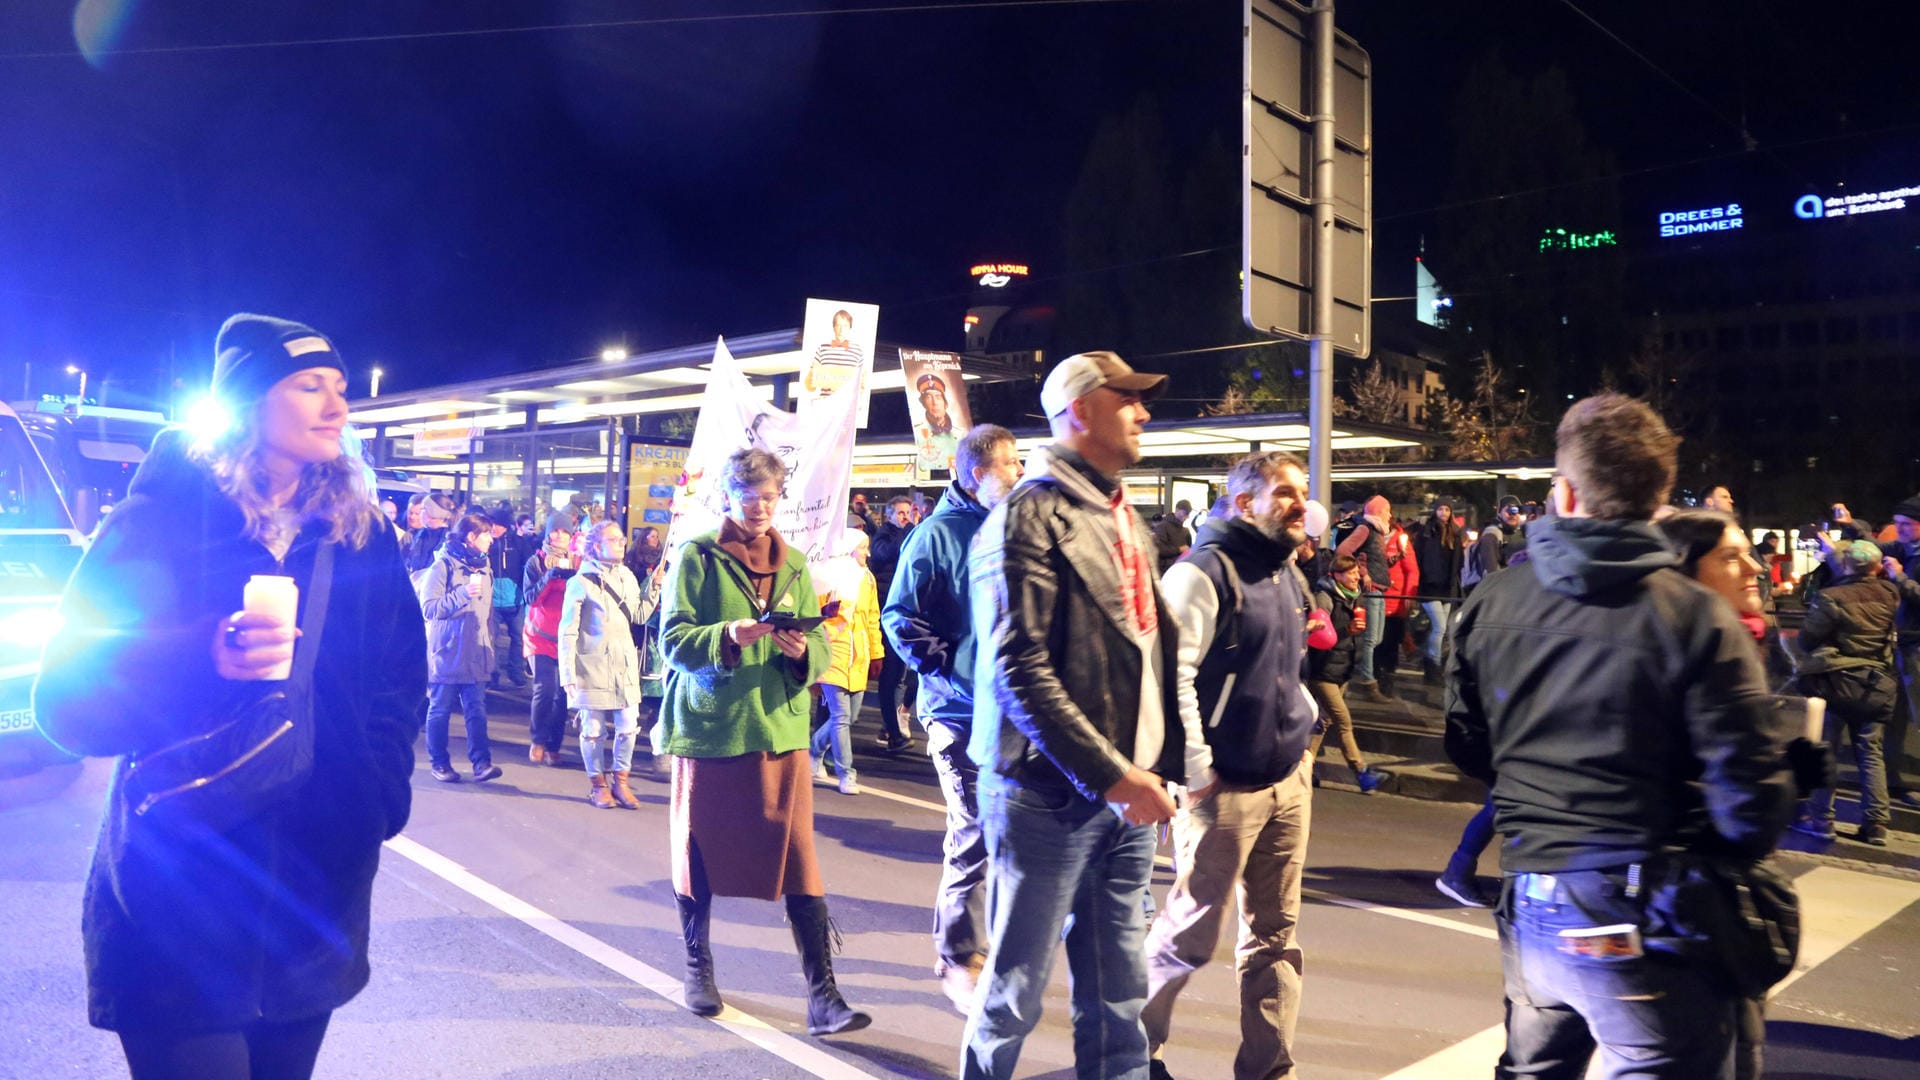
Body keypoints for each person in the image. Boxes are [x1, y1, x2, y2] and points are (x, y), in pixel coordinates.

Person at [33, 312, 427, 1080]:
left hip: (313, 904)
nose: (338, 406)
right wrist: (195, 657)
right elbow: (65, 704)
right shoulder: (161, 523)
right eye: (310, 385)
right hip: (177, 902)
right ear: (249, 401)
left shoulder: (361, 535)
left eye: (341, 388)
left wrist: (375, 801)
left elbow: (397, 685)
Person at [1445, 393, 1796, 1078]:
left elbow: (1468, 746)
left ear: (1565, 493)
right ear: (1660, 497)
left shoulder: (1493, 601)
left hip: (1530, 900)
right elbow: (1750, 800)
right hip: (1643, 912)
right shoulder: (1694, 616)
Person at [961, 351, 1184, 1079]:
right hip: (1048, 800)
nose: (1143, 412)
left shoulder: (1120, 514)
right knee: (1014, 994)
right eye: (1129, 399)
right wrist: (1114, 777)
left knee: (1120, 996)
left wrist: (1175, 765)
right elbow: (1018, 671)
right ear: (1081, 411)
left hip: (1124, 794)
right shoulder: (1028, 515)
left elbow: (1152, 651)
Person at [655, 447, 870, 1036]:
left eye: (770, 499)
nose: (760, 509)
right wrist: (731, 634)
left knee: (800, 862)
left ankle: (823, 996)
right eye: (749, 498)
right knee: (698, 855)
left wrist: (805, 652)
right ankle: (698, 969)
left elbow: (823, 647)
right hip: (712, 728)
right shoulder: (697, 556)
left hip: (779, 728)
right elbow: (671, 641)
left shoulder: (797, 566)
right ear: (729, 497)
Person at [1142, 450, 1318, 1080]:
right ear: (1245, 503)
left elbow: (1287, 667)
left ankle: (1269, 1068)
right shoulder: (1201, 573)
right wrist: (1195, 771)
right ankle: (1134, 1051)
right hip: (1223, 790)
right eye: (1288, 493)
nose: (1303, 503)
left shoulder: (1285, 570)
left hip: (1287, 780)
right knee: (1189, 934)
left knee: (1276, 938)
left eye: (1303, 491)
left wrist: (1307, 721)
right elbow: (1171, 676)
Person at [1658, 508, 1836, 1080]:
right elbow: (1731, 802)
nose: (1753, 569)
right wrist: (1786, 782)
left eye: (1749, 555)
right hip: (1691, 905)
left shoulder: (1741, 641)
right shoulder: (1695, 646)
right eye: (1730, 558)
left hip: (1706, 901)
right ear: (1685, 571)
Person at [882, 422, 1021, 1012]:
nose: (1019, 473)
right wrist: (948, 671)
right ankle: (958, 953)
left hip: (1013, 713)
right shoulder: (936, 536)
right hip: (960, 713)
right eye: (1009, 464)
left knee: (1011, 834)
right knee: (973, 832)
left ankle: (998, 949)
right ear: (974, 473)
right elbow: (901, 617)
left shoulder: (1013, 527)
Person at [1790, 539, 1899, 846]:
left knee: (1828, 751)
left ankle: (1822, 819)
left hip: (1835, 682)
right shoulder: (1890, 593)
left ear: (1846, 565)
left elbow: (1808, 640)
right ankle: (1876, 823)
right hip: (1874, 682)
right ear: (1876, 567)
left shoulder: (1831, 597)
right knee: (1871, 752)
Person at [560, 521, 663, 809]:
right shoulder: (579, 583)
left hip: (624, 664)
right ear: (596, 545)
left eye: (622, 539)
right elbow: (567, 631)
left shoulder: (628, 576)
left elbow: (640, 615)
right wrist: (568, 672)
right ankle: (597, 785)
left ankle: (621, 782)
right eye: (613, 539)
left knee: (629, 727)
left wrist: (653, 589)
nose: (621, 543)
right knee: (593, 730)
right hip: (590, 666)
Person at [417, 511, 501, 783]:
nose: (491, 538)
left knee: (476, 709)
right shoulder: (442, 566)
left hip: (476, 650)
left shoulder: (485, 566)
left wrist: (490, 645)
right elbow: (430, 609)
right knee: (440, 708)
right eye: (486, 533)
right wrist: (461, 594)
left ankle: (482, 763)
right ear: (471, 536)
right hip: (448, 650)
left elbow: (488, 613)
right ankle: (439, 763)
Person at [810, 528, 882, 795]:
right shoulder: (827, 578)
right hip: (834, 654)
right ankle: (846, 774)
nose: (868, 553)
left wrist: (877, 653)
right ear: (850, 549)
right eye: (864, 548)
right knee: (841, 717)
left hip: (859, 657)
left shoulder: (868, 579)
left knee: (849, 718)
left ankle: (814, 751)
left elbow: (873, 617)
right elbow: (813, 616)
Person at [1305, 555, 1385, 794]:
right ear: (1337, 575)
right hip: (1324, 670)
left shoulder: (1354, 596)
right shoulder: (1325, 597)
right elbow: (1318, 636)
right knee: (1343, 721)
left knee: (1322, 722)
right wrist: (1345, 630)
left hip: (1342, 668)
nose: (1356, 577)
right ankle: (1361, 772)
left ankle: (1304, 770)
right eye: (1350, 573)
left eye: (1357, 572)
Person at [522, 519, 576, 765]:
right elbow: (531, 598)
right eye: (555, 530)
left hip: (566, 637)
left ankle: (555, 745)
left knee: (563, 695)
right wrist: (550, 578)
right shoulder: (536, 562)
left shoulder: (578, 561)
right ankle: (538, 740)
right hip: (539, 635)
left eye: (564, 531)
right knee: (545, 689)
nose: (559, 535)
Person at [869, 494, 918, 751]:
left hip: (904, 614)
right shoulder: (883, 536)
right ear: (889, 515)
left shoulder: (905, 532)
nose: (905, 518)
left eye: (908, 513)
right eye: (900, 513)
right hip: (884, 615)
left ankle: (893, 725)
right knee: (890, 676)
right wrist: (910, 528)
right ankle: (892, 731)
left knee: (905, 675)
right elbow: (891, 551)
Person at [1333, 494, 1393, 703]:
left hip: (1378, 587)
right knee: (1370, 638)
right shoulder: (1365, 529)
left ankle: (1357, 674)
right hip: (1370, 589)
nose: (1390, 515)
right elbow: (1344, 550)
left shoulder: (1374, 530)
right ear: (1378, 512)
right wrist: (1362, 572)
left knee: (1375, 638)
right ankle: (1368, 681)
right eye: (1387, 510)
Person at [1881, 494, 1920, 810]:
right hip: (1903, 644)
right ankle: (1895, 779)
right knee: (1895, 716)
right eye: (1897, 524)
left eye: (1906, 524)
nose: (1900, 530)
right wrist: (1847, 526)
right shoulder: (1905, 549)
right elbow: (1874, 545)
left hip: (1917, 645)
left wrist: (1899, 577)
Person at [1410, 500, 1463, 683]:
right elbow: (1418, 558)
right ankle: (1433, 665)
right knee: (1440, 627)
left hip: (1447, 587)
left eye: (1447, 509)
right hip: (1429, 586)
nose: (1444, 512)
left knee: (1440, 628)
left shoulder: (1455, 533)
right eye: (1440, 509)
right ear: (1435, 511)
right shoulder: (1426, 532)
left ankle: (1429, 663)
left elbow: (1458, 561)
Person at [1376, 516, 1421, 698]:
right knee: (1376, 642)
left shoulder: (1401, 540)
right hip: (1377, 597)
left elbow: (1412, 570)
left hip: (1395, 600)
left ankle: (1387, 681)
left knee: (1390, 642)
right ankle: (1376, 677)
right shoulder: (1370, 537)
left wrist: (1409, 595)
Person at [1461, 495, 1520, 597]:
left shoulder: (1513, 533)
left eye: (1515, 511)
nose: (1512, 515)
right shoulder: (1492, 533)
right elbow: (1491, 569)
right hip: (1493, 591)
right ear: (1499, 512)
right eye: (1508, 511)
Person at [803, 308, 865, 398]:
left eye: (845, 326)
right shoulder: (822, 348)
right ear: (833, 327)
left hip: (847, 403)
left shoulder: (858, 351)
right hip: (826, 402)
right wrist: (812, 380)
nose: (841, 330)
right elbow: (810, 382)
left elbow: (861, 383)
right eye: (838, 325)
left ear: (850, 328)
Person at [404, 491, 454, 573]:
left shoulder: (449, 539)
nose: (420, 513)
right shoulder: (421, 534)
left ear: (432, 512)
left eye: (423, 509)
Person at [1152, 499, 1195, 575]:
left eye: (1188, 514)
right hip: (1166, 572)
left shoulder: (1185, 531)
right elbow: (1159, 550)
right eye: (1185, 513)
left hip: (1181, 570)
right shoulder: (1162, 526)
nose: (1187, 517)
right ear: (1177, 510)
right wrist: (1179, 549)